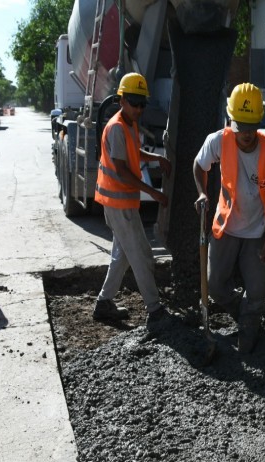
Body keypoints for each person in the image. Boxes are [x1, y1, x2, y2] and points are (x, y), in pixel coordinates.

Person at [193, 83, 265, 354]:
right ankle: (245, 316)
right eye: (240, 127)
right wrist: (202, 193)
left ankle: (250, 325)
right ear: (231, 121)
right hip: (227, 226)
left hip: (257, 231)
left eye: (251, 127)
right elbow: (199, 165)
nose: (246, 134)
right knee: (216, 286)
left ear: (258, 122)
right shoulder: (219, 140)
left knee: (257, 294)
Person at [92, 73, 172, 336]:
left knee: (123, 255)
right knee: (142, 255)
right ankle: (154, 309)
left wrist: (155, 158)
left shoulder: (130, 125)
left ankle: (104, 303)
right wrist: (155, 193)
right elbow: (124, 171)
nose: (138, 108)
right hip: (119, 205)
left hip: (124, 203)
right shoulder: (116, 127)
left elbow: (134, 154)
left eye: (142, 104)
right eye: (133, 102)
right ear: (121, 100)